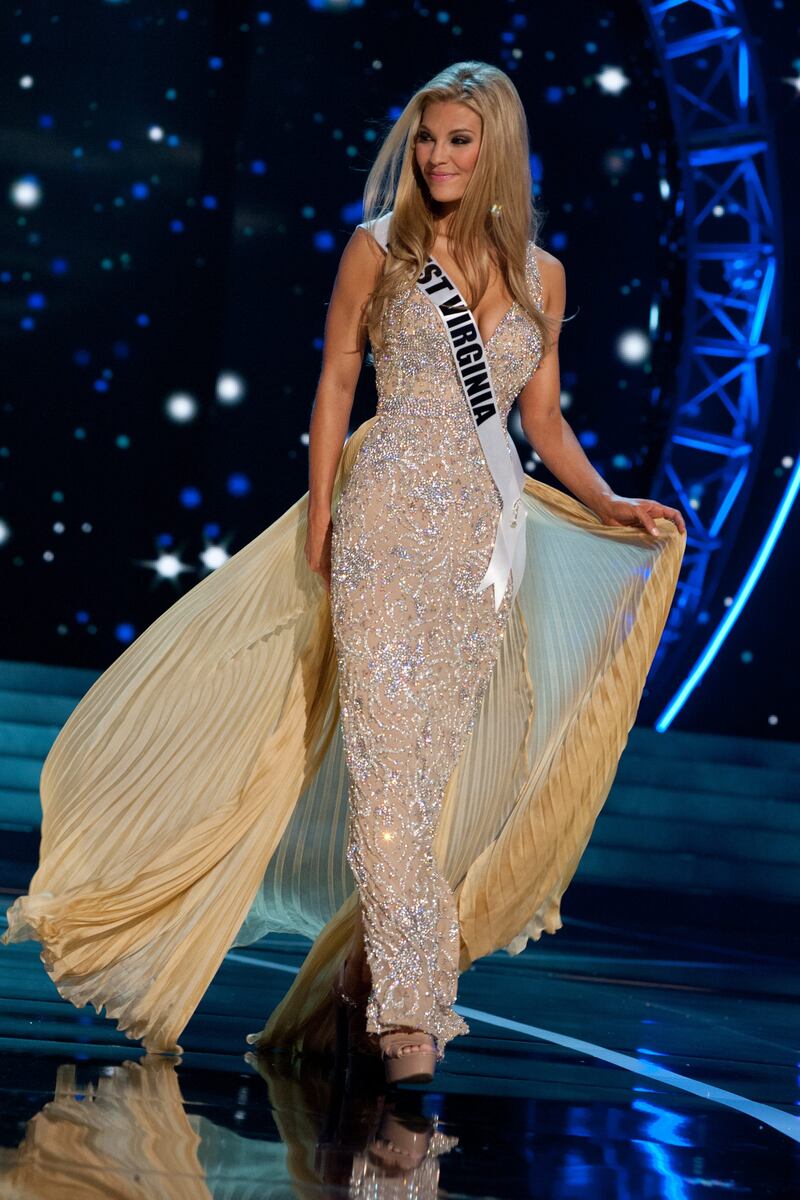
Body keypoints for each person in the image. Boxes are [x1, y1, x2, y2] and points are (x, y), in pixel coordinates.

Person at [1, 61, 686, 1087]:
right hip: (377, 525)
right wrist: (323, 512)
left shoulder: (544, 276)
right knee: (383, 770)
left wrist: (607, 505)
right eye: (425, 139)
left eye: (457, 140)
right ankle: (413, 1013)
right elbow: (331, 382)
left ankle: (364, 981)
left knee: (427, 781)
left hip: (481, 547)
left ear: (493, 148)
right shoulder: (380, 250)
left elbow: (538, 421)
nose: (437, 157)